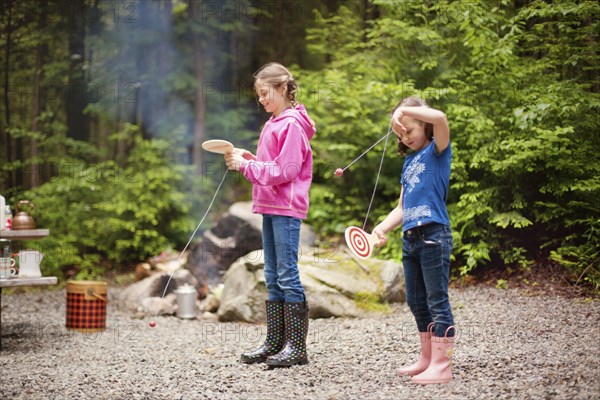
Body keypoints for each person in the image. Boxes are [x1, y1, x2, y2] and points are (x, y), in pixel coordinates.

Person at [225, 62, 315, 367]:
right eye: (259, 95)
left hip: (287, 209)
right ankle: (275, 342)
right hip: (269, 207)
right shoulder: (273, 123)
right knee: (273, 276)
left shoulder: (291, 124)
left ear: (281, 89)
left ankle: (297, 347)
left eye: (265, 93)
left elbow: (286, 170)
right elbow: (271, 163)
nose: (261, 99)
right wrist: (250, 159)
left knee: (288, 275)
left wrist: (246, 167)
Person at [372, 96, 456, 385]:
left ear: (425, 126)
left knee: (436, 299)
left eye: (409, 130)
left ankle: (442, 366)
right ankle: (427, 358)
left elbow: (441, 117)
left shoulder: (438, 151)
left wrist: (402, 110)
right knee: (416, 300)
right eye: (399, 133)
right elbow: (401, 208)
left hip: (434, 235)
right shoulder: (408, 163)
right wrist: (379, 229)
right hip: (411, 239)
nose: (405, 137)